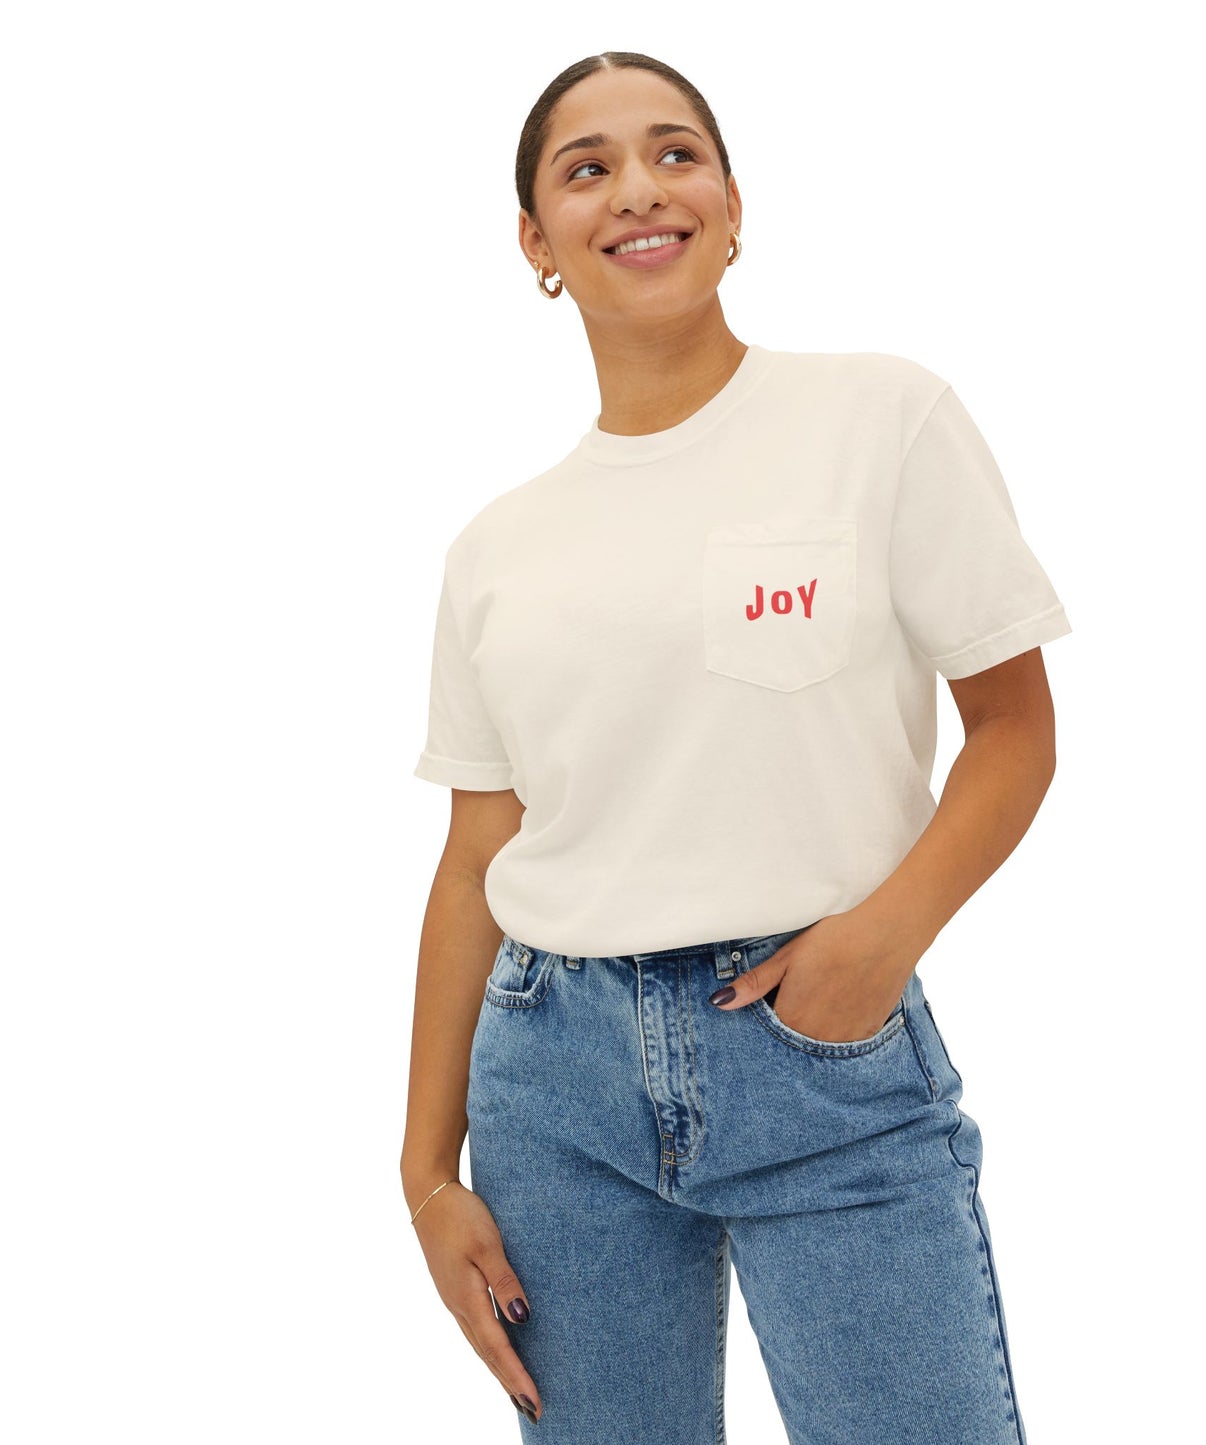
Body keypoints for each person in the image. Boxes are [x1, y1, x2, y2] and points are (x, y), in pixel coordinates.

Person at [401, 51, 1071, 1445]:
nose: (637, 190)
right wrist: (426, 1172)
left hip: (819, 1055)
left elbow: (1011, 731)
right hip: (551, 1089)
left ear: (730, 201)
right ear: (535, 241)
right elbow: (477, 855)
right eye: (585, 169)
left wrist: (874, 945)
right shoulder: (496, 551)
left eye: (673, 153)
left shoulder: (878, 419)